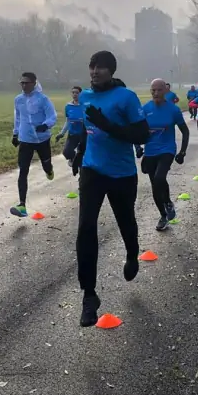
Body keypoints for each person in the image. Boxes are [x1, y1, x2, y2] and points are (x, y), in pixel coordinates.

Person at [71, 51, 150, 327]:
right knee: (85, 228)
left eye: (100, 67)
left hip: (122, 174)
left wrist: (108, 124)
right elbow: (86, 128)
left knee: (125, 222)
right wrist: (79, 150)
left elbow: (142, 134)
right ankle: (89, 295)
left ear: (111, 70)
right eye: (91, 66)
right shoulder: (86, 97)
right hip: (92, 171)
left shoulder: (125, 98)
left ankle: (132, 252)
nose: (94, 71)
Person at [135, 79, 189, 231]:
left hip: (167, 149)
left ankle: (168, 203)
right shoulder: (145, 109)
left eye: (159, 90)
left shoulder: (173, 110)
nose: (156, 93)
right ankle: (163, 215)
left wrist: (182, 152)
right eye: (153, 90)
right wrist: (137, 147)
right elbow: (136, 131)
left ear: (165, 90)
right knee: (155, 185)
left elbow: (185, 131)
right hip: (150, 150)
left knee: (159, 178)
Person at [10, 72, 57, 218]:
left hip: (42, 139)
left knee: (46, 165)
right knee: (23, 170)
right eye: (22, 83)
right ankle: (22, 205)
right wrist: (15, 134)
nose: (24, 86)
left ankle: (49, 170)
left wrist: (46, 125)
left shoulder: (43, 99)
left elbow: (52, 116)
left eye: (27, 83)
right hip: (26, 139)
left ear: (34, 83)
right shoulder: (18, 100)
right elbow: (17, 118)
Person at [54, 86, 84, 167]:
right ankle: (73, 159)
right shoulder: (68, 106)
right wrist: (61, 133)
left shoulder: (85, 105)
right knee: (66, 152)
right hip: (72, 134)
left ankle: (82, 176)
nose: (75, 94)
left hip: (83, 135)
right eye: (73, 92)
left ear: (81, 94)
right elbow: (68, 121)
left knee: (82, 156)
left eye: (77, 93)